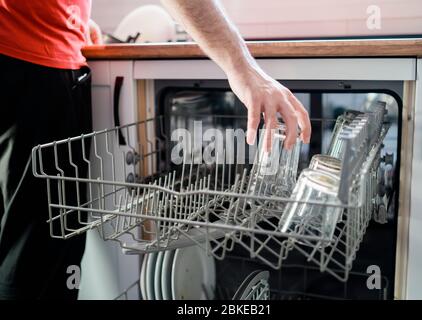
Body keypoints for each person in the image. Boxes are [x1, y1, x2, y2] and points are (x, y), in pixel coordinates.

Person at [0, 0, 311, 300]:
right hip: (32, 63)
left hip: (22, 47)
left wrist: (68, 18)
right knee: (33, 271)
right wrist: (242, 67)